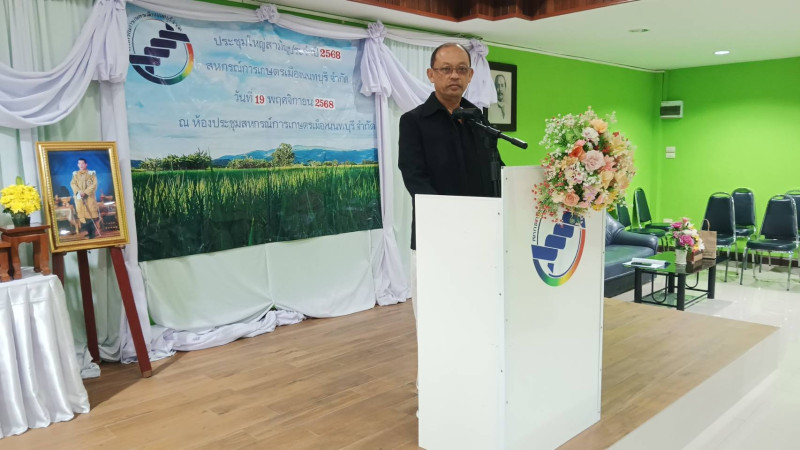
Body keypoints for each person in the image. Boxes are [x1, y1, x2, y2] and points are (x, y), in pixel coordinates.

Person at [398, 42, 502, 319]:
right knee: (436, 314)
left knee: (476, 309)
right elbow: (414, 177)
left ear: (470, 76)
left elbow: (497, 169)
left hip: (481, 234)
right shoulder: (414, 121)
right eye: (446, 69)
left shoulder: (478, 120)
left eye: (461, 69)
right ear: (431, 75)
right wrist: (449, 217)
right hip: (437, 234)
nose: (454, 75)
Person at [70, 157, 100, 238]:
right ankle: (88, 232)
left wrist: (85, 192)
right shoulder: (75, 174)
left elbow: (94, 184)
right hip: (80, 197)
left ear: (86, 164)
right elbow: (73, 184)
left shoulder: (91, 174)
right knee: (83, 215)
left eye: (82, 163)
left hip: (89, 197)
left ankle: (92, 233)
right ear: (77, 165)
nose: (81, 165)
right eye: (79, 163)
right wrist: (79, 192)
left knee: (90, 214)